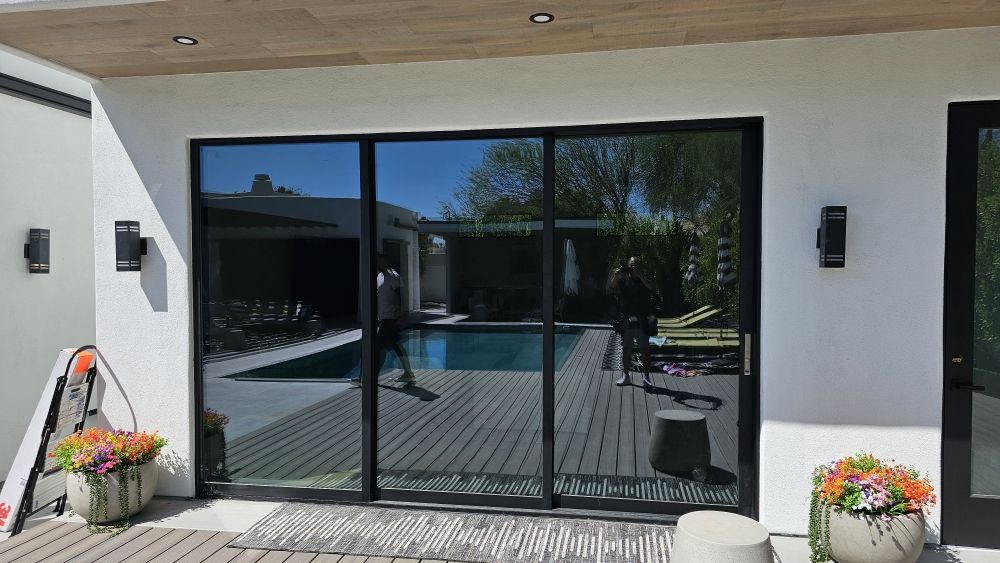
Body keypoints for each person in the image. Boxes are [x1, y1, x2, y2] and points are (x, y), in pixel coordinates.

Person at [350, 253, 416, 386]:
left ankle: (365, 378)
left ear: (385, 261)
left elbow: (401, 296)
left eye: (379, 260)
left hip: (390, 319)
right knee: (394, 346)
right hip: (383, 318)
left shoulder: (393, 276)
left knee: (375, 348)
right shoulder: (380, 276)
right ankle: (408, 373)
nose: (377, 263)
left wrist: (400, 315)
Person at [609, 256, 655, 388]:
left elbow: (652, 288)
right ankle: (626, 376)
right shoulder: (623, 279)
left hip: (642, 318)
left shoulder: (643, 278)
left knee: (645, 349)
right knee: (626, 349)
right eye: (631, 264)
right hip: (627, 319)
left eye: (635, 265)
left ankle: (646, 377)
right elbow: (612, 287)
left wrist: (640, 276)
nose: (632, 267)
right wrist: (616, 276)